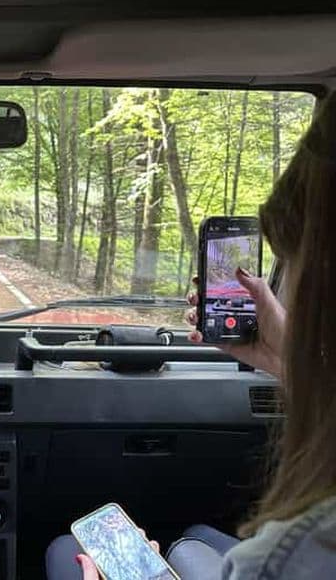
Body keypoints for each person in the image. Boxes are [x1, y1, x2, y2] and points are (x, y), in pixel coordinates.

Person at [47, 92, 336, 580]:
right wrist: (288, 358)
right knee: (194, 538)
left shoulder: (298, 550)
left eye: (300, 284)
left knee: (65, 552)